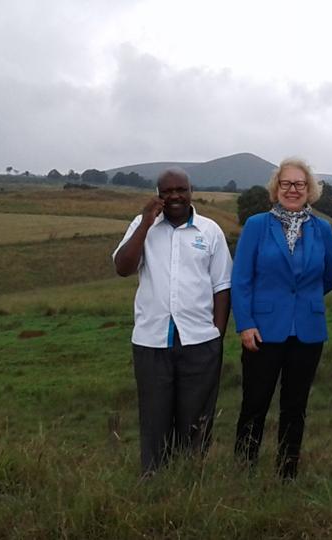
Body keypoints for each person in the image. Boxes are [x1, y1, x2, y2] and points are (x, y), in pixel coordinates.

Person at [113, 168, 232, 475]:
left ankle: (190, 476)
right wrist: (144, 224)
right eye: (167, 192)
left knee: (195, 418)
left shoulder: (210, 231)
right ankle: (153, 479)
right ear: (158, 194)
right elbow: (123, 268)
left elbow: (222, 285)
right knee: (154, 418)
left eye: (181, 189)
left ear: (191, 191)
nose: (175, 196)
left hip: (200, 341)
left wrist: (217, 336)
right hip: (152, 341)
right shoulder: (143, 226)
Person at [231, 157, 332, 479]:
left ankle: (287, 471)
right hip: (262, 331)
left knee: (295, 407)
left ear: (310, 190)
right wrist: (246, 323)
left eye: (299, 184)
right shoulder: (256, 225)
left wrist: (304, 300)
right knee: (255, 404)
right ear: (276, 188)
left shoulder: (322, 229)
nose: (292, 190)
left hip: (307, 331)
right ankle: (244, 470)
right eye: (286, 183)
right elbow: (241, 280)